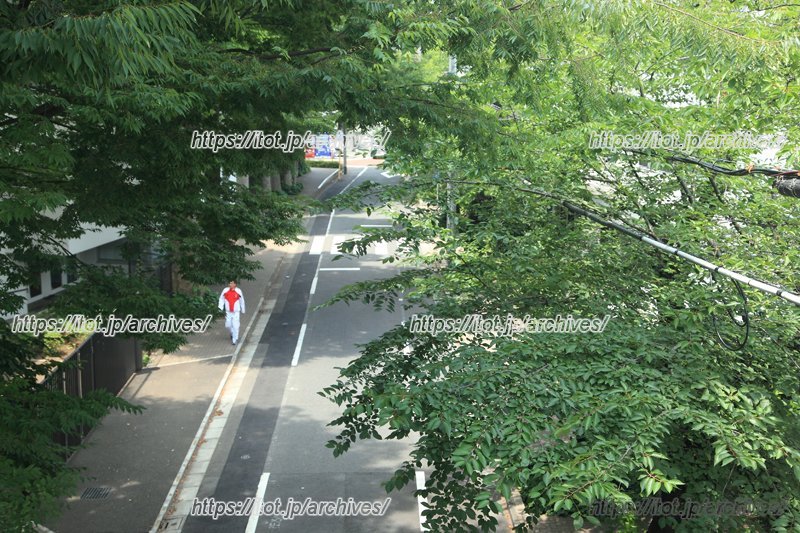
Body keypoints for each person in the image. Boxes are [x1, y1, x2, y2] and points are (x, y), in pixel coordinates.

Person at [218, 280, 245, 345]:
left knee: (235, 325)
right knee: (228, 325)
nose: (230, 284)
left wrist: (243, 309)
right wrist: (220, 307)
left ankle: (234, 339)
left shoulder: (238, 291)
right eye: (230, 283)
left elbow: (242, 300)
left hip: (236, 312)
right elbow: (221, 299)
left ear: (235, 284)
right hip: (228, 311)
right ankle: (232, 332)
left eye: (232, 283)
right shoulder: (225, 290)